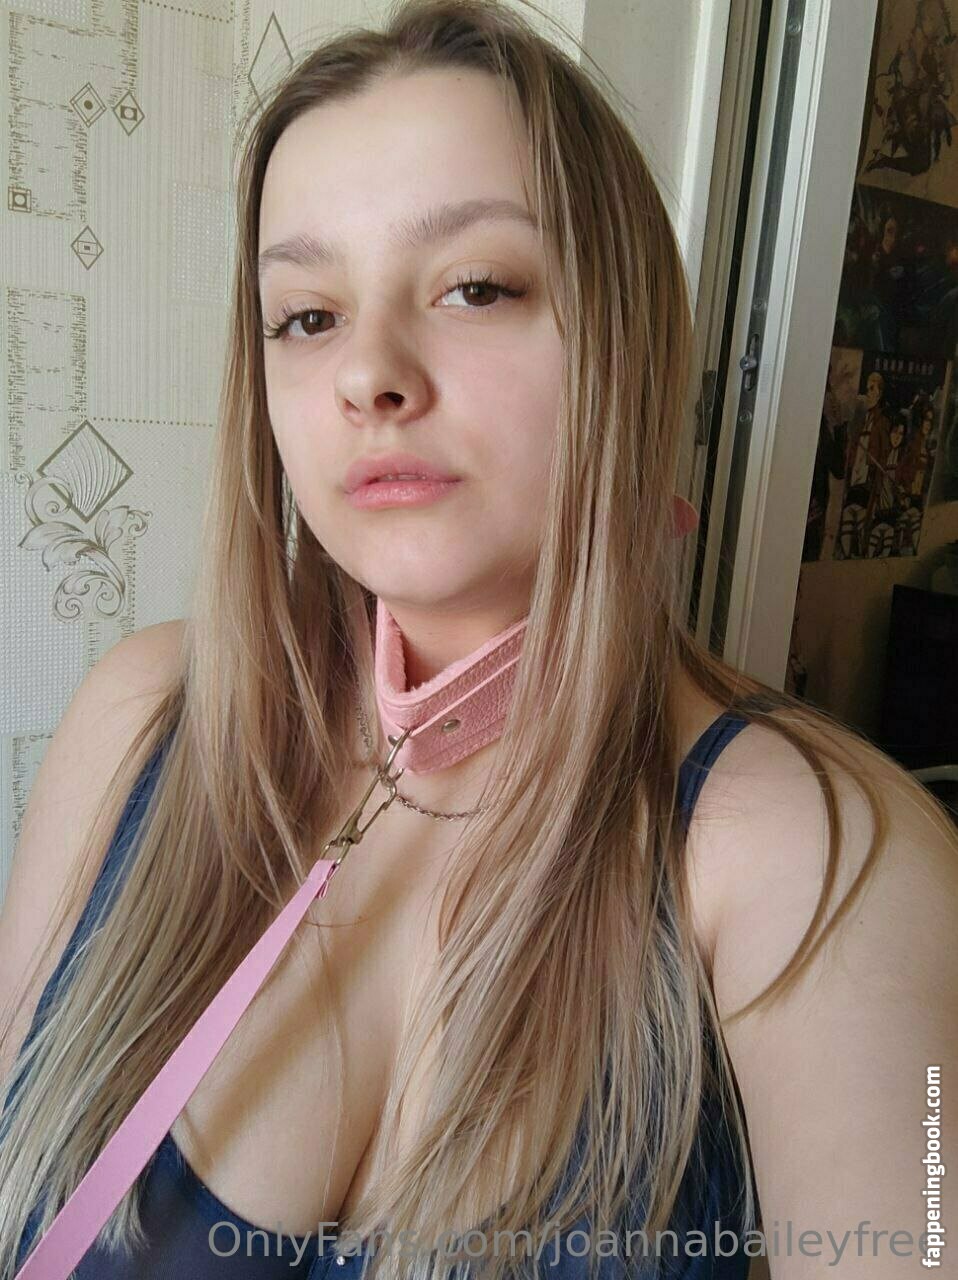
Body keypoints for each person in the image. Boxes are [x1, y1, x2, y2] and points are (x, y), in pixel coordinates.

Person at [1, 1, 956, 1277]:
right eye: (307, 315)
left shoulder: (825, 859)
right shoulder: (142, 718)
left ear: (622, 337)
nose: (370, 374)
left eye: (476, 286)